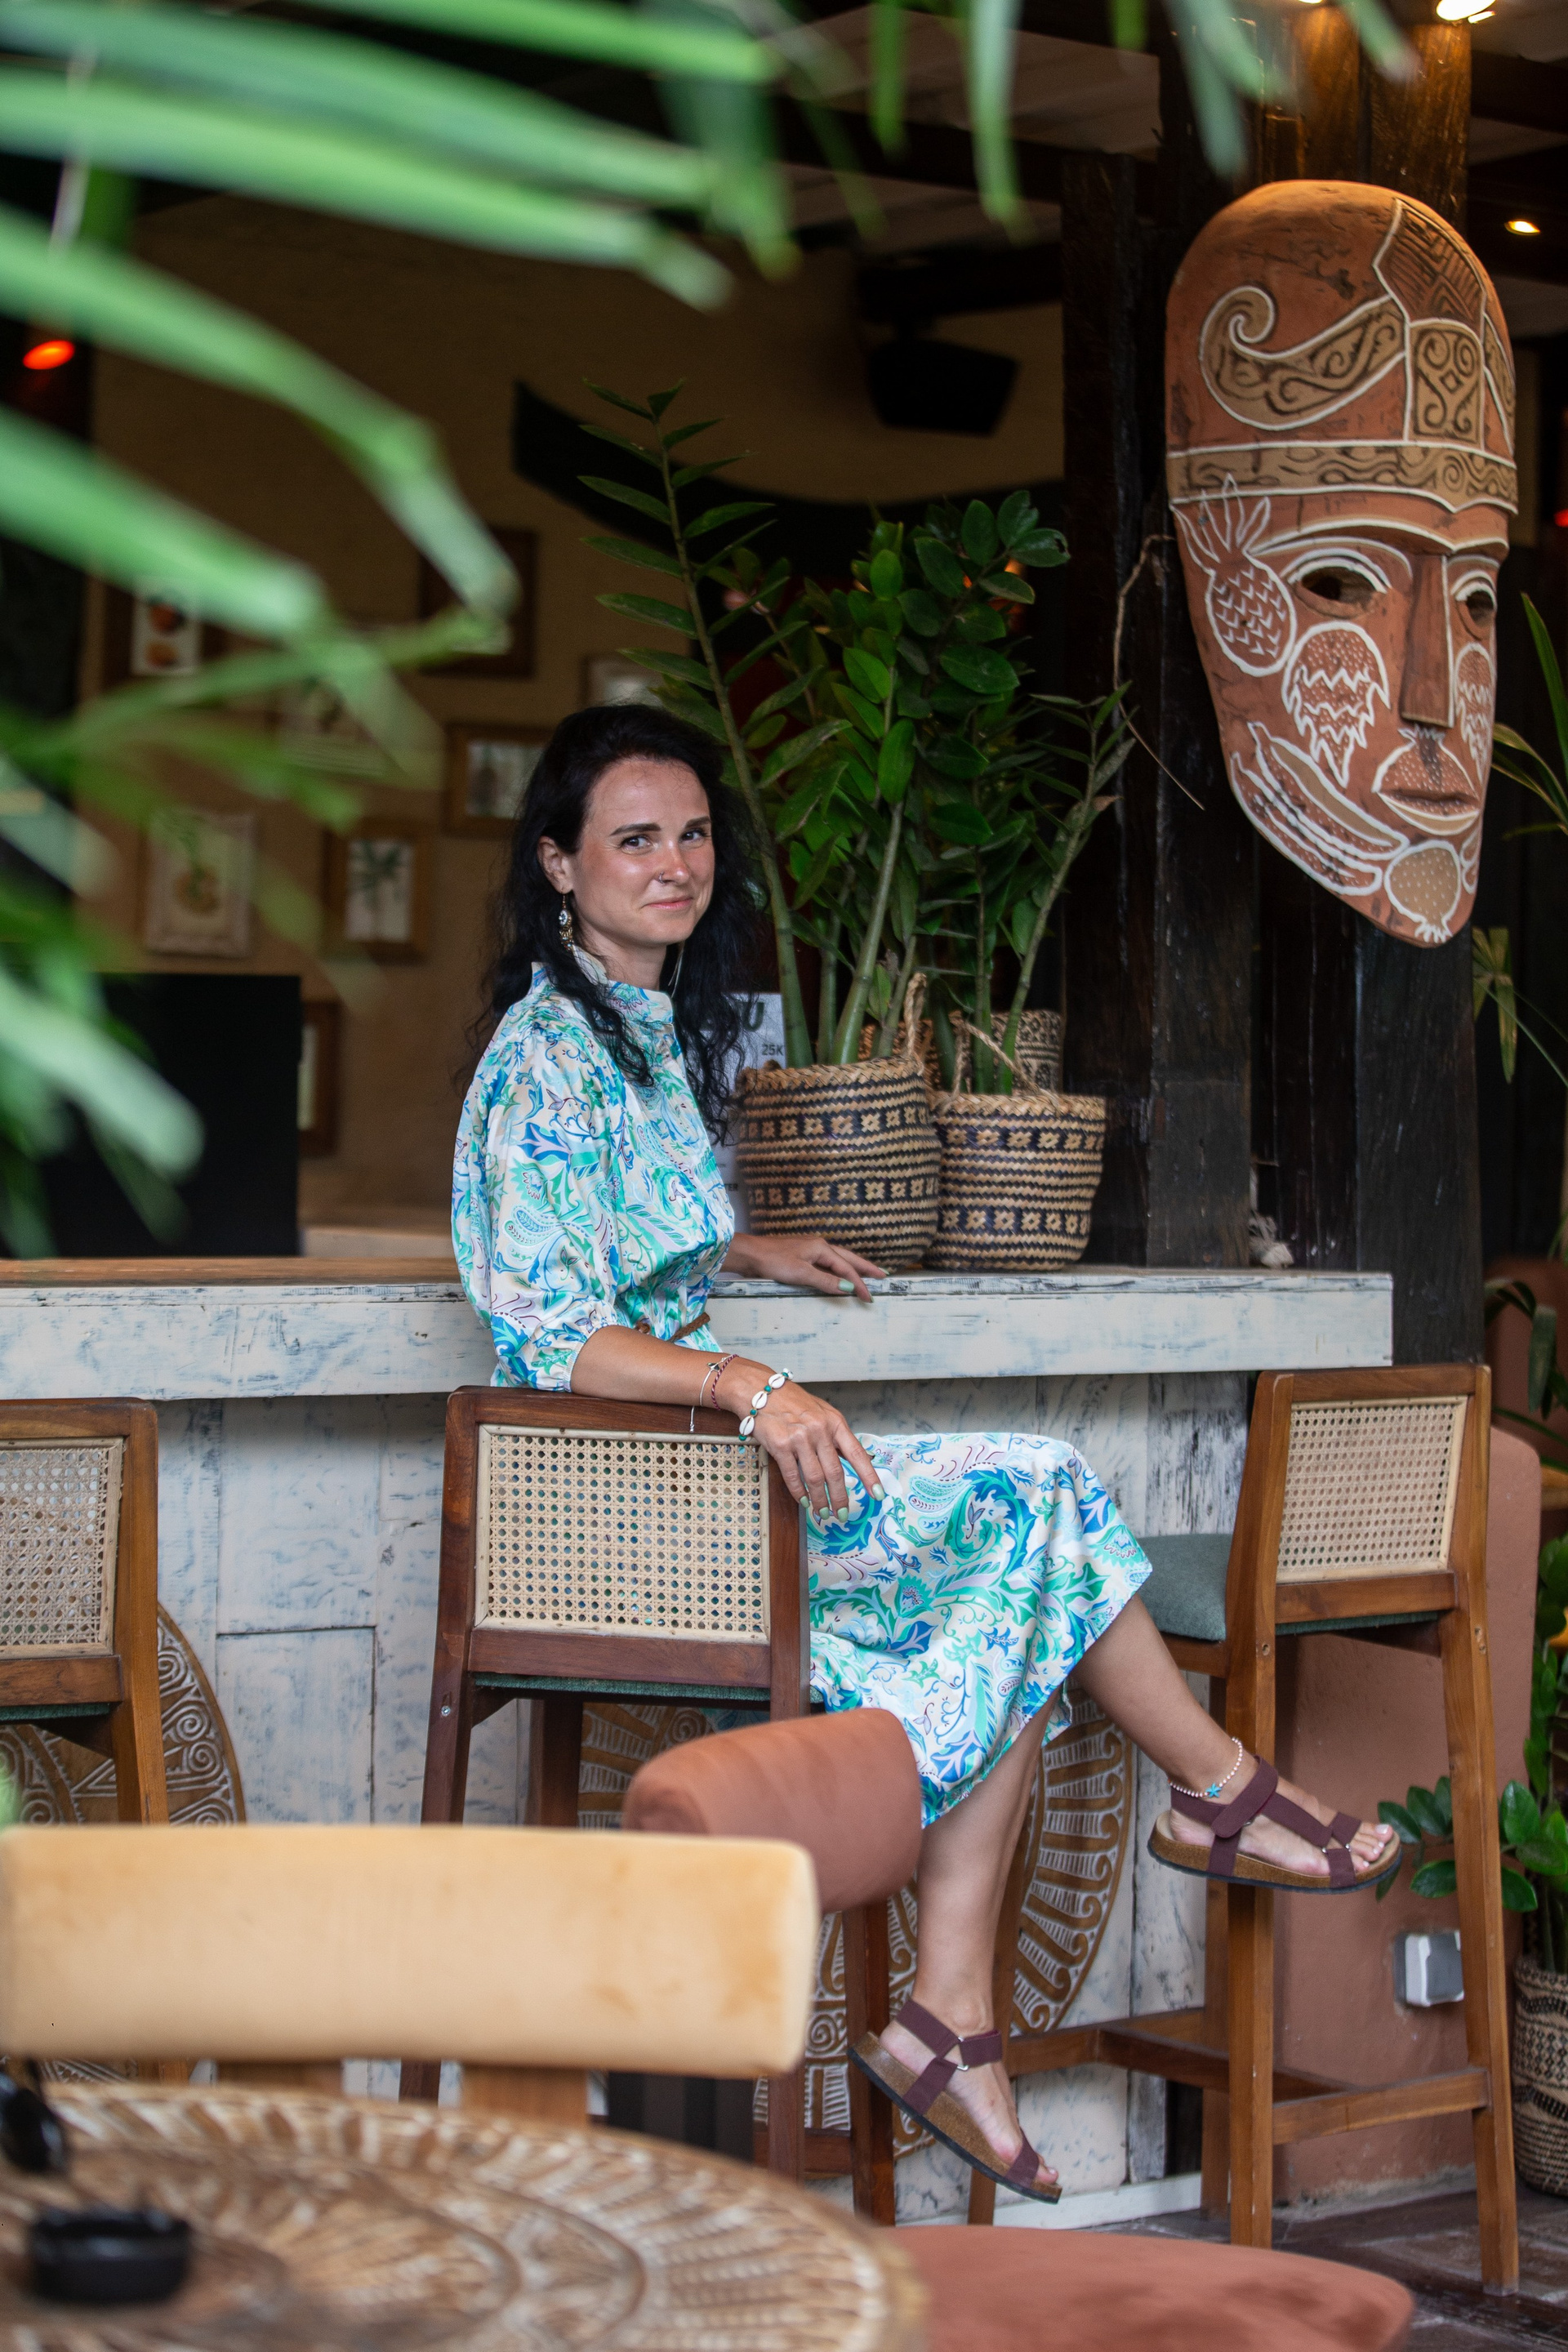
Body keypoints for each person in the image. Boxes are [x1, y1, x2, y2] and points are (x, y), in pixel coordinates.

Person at [452, 702, 1398, 2204]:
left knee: (1011, 1580)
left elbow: (614, 1235)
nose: (675, 864)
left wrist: (741, 1249)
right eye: (634, 840)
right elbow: (549, 1332)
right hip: (624, 1516)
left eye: (692, 835)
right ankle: (1208, 1801)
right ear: (560, 865)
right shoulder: (543, 1052)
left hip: (697, 1490)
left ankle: (958, 2012)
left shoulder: (636, 1029)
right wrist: (750, 1386)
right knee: (1038, 1500)